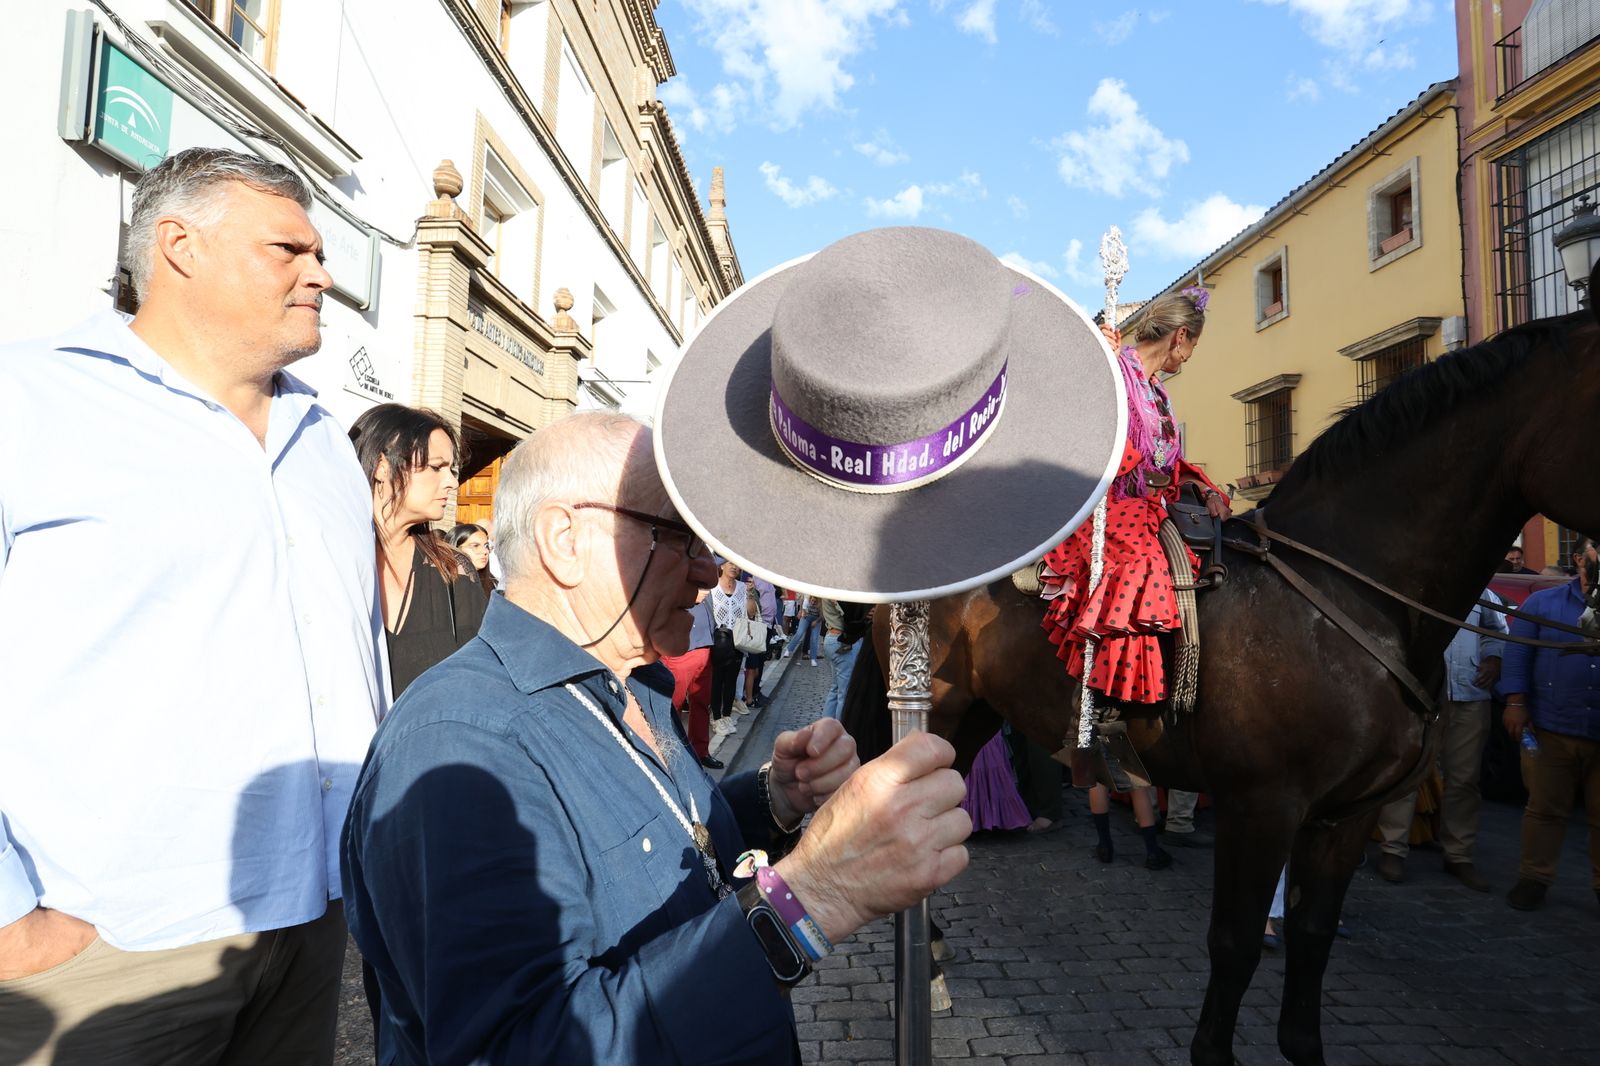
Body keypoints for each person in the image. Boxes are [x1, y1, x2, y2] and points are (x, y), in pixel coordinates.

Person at [341, 412, 972, 1064]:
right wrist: (813, 895)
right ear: (565, 538)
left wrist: (774, 798)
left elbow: (657, 841)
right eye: (678, 537)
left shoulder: (631, 682)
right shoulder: (458, 747)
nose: (707, 570)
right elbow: (528, 1046)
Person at [0, 147, 384, 1065]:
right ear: (178, 246)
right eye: (289, 249)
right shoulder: (29, 401)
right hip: (107, 946)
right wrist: (10, 917)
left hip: (311, 918)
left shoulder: (325, 440)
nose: (322, 274)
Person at [1039, 288, 1229, 872]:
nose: (1187, 360)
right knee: (1146, 568)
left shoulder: (1160, 397)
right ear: (1179, 337)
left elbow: (1166, 463)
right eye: (1190, 348)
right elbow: (1091, 445)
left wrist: (1197, 482)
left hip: (1152, 508)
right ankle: (1120, 686)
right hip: (1107, 510)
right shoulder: (1112, 374)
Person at [350, 405, 489, 698]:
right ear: (381, 466)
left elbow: (476, 680)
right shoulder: (329, 559)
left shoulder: (454, 569)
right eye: (436, 467)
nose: (452, 482)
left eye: (450, 470)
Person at [1374, 586, 1507, 890]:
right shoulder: (1421, 581)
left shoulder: (1483, 593)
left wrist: (1493, 659)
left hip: (1468, 693)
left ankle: (1459, 854)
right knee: (1405, 775)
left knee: (1465, 779)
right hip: (1419, 697)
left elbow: (1496, 631)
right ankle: (1393, 848)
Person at [1502, 534, 1600, 911]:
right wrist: (1514, 702)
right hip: (1552, 726)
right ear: (1578, 559)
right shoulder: (1544, 602)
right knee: (1544, 809)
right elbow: (1517, 657)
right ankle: (1534, 878)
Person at [661, 589, 719, 768]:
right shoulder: (675, 588)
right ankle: (671, 756)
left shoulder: (702, 591)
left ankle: (701, 751)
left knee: (701, 703)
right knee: (673, 708)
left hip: (703, 648)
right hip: (681, 653)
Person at [707, 559, 748, 733]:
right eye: (729, 563)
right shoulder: (713, 588)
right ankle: (715, 717)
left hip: (737, 639)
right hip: (719, 639)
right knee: (717, 680)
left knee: (732, 679)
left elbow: (748, 613)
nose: (734, 566)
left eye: (736, 564)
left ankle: (727, 715)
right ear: (721, 566)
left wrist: (752, 598)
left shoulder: (743, 588)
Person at [820, 598, 872, 720]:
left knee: (835, 689)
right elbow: (848, 613)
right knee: (845, 693)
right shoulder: (834, 592)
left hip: (832, 637)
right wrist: (863, 615)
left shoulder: (826, 589)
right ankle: (841, 730)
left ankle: (827, 728)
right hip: (841, 639)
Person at [450, 521, 498, 596]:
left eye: (486, 546)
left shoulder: (494, 585)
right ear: (456, 548)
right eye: (475, 546)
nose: (485, 551)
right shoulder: (445, 585)